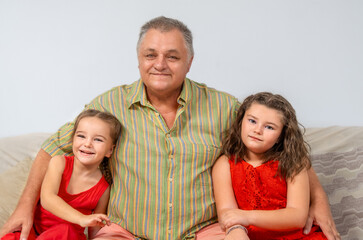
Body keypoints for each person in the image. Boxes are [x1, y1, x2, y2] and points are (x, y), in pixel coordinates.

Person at [0, 16, 340, 240]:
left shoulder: (224, 107)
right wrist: (22, 206)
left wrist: (319, 201)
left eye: (172, 56)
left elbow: (285, 146)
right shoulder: (109, 104)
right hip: (125, 233)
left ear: (190, 61)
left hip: (205, 232)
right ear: (138, 59)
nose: (159, 64)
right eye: (150, 55)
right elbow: (53, 147)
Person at [212, 92, 328, 239]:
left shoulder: (293, 163)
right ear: (241, 121)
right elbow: (228, 214)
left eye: (269, 127)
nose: (257, 130)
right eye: (252, 121)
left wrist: (247, 217)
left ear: (281, 135)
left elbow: (297, 216)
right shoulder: (224, 165)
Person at [1, 109, 122, 240]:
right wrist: (81, 218)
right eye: (81, 136)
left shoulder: (103, 188)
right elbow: (48, 198)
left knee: (65, 230)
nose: (87, 144)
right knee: (11, 236)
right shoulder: (58, 162)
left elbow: (94, 227)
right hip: (35, 232)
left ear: (110, 150)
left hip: (67, 236)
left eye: (98, 139)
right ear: (73, 140)